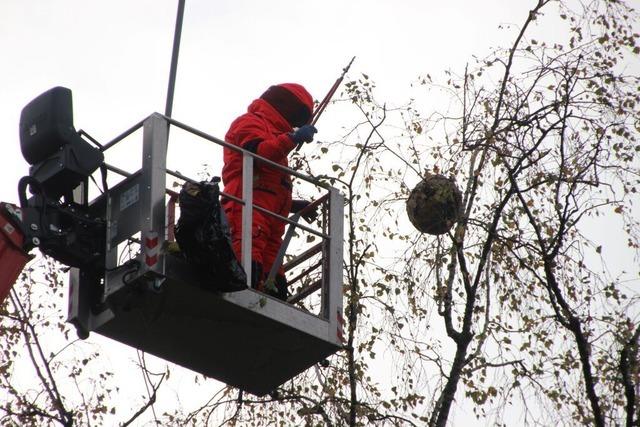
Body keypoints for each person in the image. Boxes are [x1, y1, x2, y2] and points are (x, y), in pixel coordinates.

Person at [221, 83, 317, 300]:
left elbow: (271, 187)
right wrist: (292, 139)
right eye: (298, 115)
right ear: (285, 106)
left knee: (272, 264)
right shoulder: (249, 122)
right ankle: (246, 293)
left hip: (270, 216)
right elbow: (259, 154)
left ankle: (274, 296)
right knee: (248, 248)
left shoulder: (276, 136)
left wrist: (294, 205)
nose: (296, 123)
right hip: (246, 204)